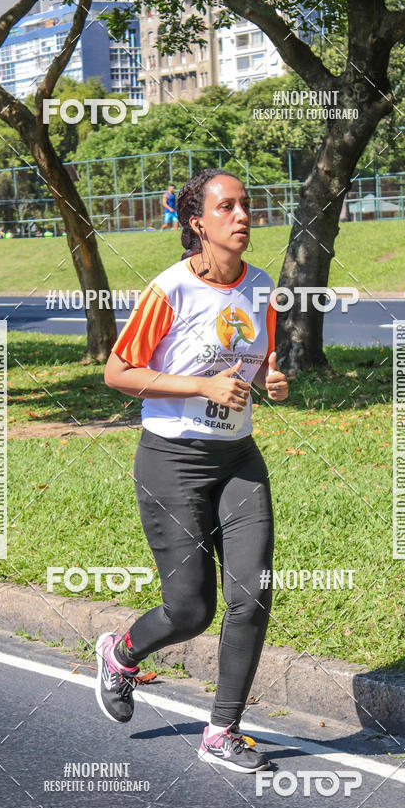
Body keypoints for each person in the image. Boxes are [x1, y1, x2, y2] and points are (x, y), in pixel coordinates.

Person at [96, 167, 289, 774]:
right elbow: (119, 372)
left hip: (238, 459)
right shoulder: (169, 291)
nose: (241, 217)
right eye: (226, 207)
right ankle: (121, 654)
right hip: (171, 461)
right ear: (196, 222)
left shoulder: (261, 287)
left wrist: (271, 380)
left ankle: (222, 732)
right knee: (190, 610)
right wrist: (201, 385)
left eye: (246, 205)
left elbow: (259, 361)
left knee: (251, 595)